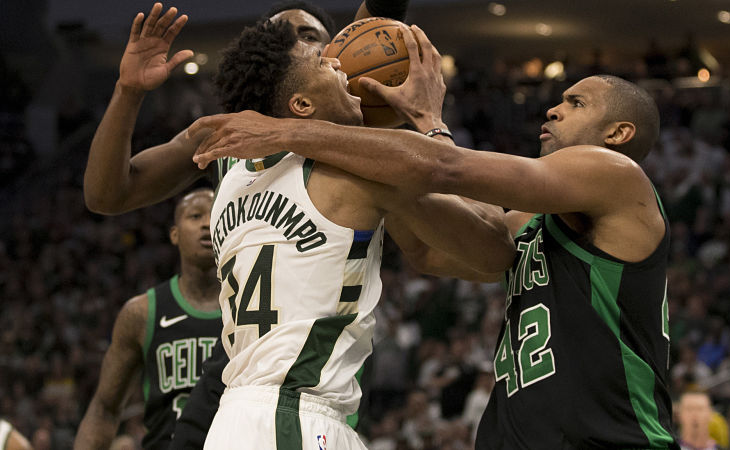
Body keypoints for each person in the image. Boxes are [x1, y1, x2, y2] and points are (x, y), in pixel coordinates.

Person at [189, 27, 681, 447]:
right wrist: (391, 168)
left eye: (575, 102)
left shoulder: (617, 176)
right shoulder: (532, 217)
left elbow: (447, 172)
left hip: (611, 435)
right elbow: (435, 249)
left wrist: (422, 123)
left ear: (618, 133)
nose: (553, 109)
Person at [80, 2, 415, 448]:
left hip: (320, 355)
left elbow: (380, 13)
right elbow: (107, 193)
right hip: (242, 369)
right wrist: (128, 90)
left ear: (339, 52)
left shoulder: (357, 135)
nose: (294, 43)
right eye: (280, 36)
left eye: (309, 37)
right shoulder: (226, 137)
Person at [199, 16, 513, 449]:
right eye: (325, 66)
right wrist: (427, 119)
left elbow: (422, 250)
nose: (343, 68)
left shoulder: (232, 182)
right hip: (292, 417)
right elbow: (493, 246)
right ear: (302, 106)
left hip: (240, 417)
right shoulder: (351, 175)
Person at [75, 188, 221, 449]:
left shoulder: (252, 307)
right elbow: (104, 408)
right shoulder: (141, 313)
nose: (207, 223)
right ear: (174, 234)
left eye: (215, 213)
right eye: (195, 216)